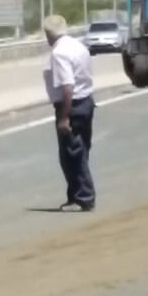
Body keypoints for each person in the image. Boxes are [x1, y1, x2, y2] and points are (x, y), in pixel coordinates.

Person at [42, 14, 96, 212]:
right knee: (80, 151)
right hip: (86, 102)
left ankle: (83, 197)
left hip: (71, 105)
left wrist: (64, 117)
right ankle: (75, 196)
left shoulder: (60, 53)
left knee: (72, 154)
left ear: (49, 34)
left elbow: (68, 86)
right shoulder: (78, 46)